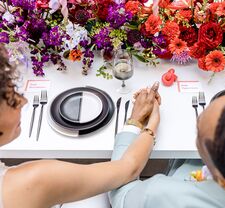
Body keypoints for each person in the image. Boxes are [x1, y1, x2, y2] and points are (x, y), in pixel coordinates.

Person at [0, 44, 161, 208]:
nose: (23, 101)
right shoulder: (31, 181)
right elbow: (129, 169)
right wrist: (145, 122)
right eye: (10, 97)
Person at [110, 95, 225, 207]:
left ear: (222, 181)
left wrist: (134, 122)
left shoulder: (161, 195)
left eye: (198, 130)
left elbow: (120, 191)